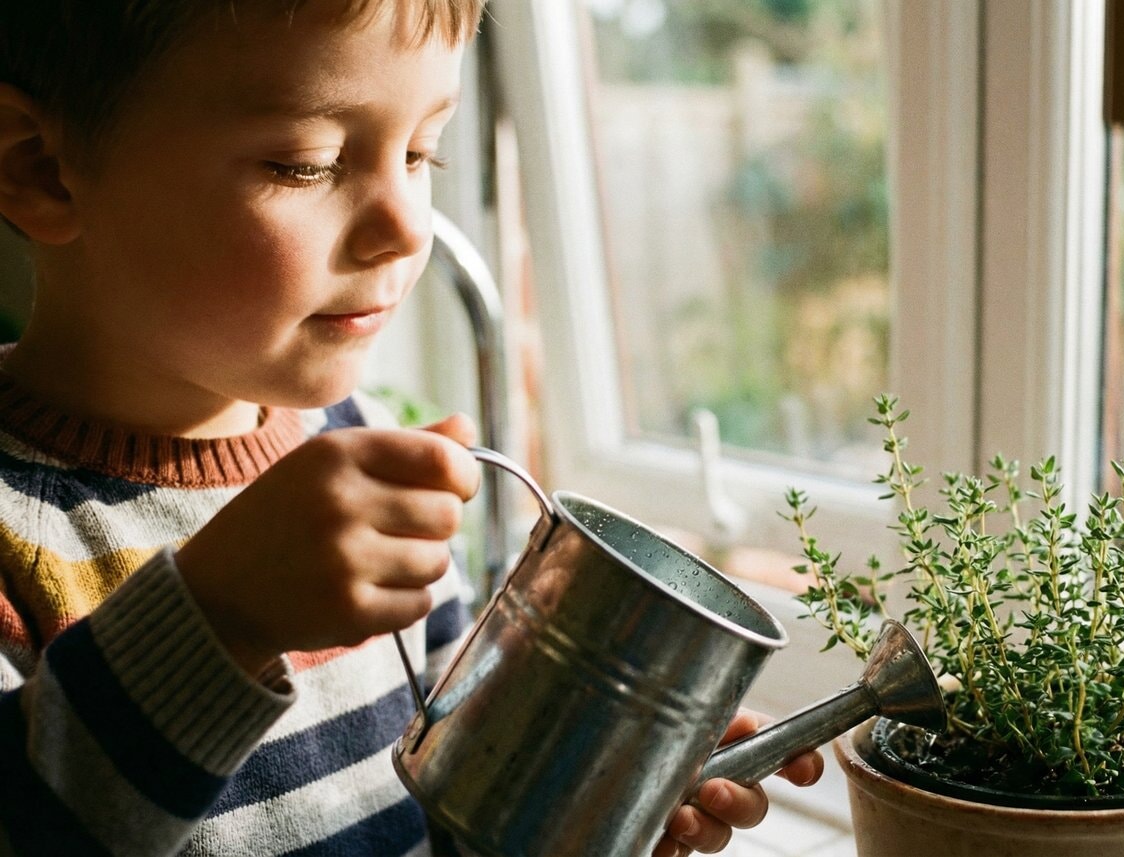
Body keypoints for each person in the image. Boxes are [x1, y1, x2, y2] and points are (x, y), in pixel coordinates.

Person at [0, 2, 821, 855]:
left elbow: (434, 814)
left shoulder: (355, 454)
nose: (406, 226)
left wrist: (578, 788)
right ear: (41, 169)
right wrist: (217, 620)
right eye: (305, 164)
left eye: (422, 152)